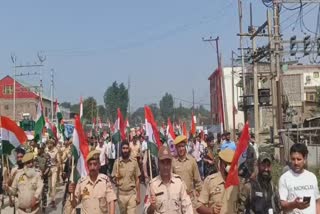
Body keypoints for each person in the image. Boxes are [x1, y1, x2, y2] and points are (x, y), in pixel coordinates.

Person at [143, 146, 193, 214]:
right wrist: (151, 207)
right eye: (162, 163)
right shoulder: (152, 185)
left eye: (168, 163)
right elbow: (146, 211)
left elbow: (187, 206)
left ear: (171, 163)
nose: (165, 166)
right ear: (158, 163)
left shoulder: (179, 182)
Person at [64, 150, 117, 214]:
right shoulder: (82, 182)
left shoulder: (105, 181)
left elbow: (111, 200)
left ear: (99, 165)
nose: (92, 167)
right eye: (90, 164)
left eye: (95, 164)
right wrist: (71, 193)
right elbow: (74, 204)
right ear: (87, 166)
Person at [279, 143, 320, 214]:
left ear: (305, 158)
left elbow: (317, 201)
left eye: (299, 159)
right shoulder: (284, 178)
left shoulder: (312, 177)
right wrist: (294, 204)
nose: (296, 162)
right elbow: (282, 205)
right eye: (293, 159)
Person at [197, 149, 239, 214]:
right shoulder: (210, 181)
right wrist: (211, 210)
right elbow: (199, 206)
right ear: (221, 163)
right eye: (228, 164)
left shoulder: (237, 183)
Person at [172, 135, 202, 212]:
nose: (181, 149)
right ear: (176, 148)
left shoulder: (192, 161)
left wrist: (199, 194)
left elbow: (198, 180)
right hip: (177, 199)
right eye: (179, 147)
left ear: (185, 146)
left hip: (190, 198)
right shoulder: (173, 162)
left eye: (182, 146)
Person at [112, 141, 141, 214]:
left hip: (132, 194)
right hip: (121, 195)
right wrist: (115, 180)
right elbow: (113, 178)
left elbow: (137, 179)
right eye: (123, 148)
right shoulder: (117, 162)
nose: (125, 150)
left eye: (126, 148)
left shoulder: (134, 162)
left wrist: (138, 195)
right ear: (121, 150)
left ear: (129, 149)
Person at [35, 145, 51, 213]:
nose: (38, 150)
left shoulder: (47, 156)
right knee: (37, 193)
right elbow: (35, 166)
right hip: (38, 178)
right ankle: (37, 207)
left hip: (45, 178)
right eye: (37, 148)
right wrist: (39, 172)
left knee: (44, 193)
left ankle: (44, 207)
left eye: (39, 148)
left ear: (42, 149)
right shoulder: (36, 157)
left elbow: (48, 166)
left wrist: (44, 173)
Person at [47, 139, 61, 208]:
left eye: (50, 143)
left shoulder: (56, 151)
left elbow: (58, 161)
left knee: (53, 185)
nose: (49, 145)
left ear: (52, 144)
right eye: (48, 143)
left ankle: (53, 200)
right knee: (49, 186)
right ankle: (51, 198)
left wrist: (58, 171)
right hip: (48, 170)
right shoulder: (46, 151)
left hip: (54, 169)